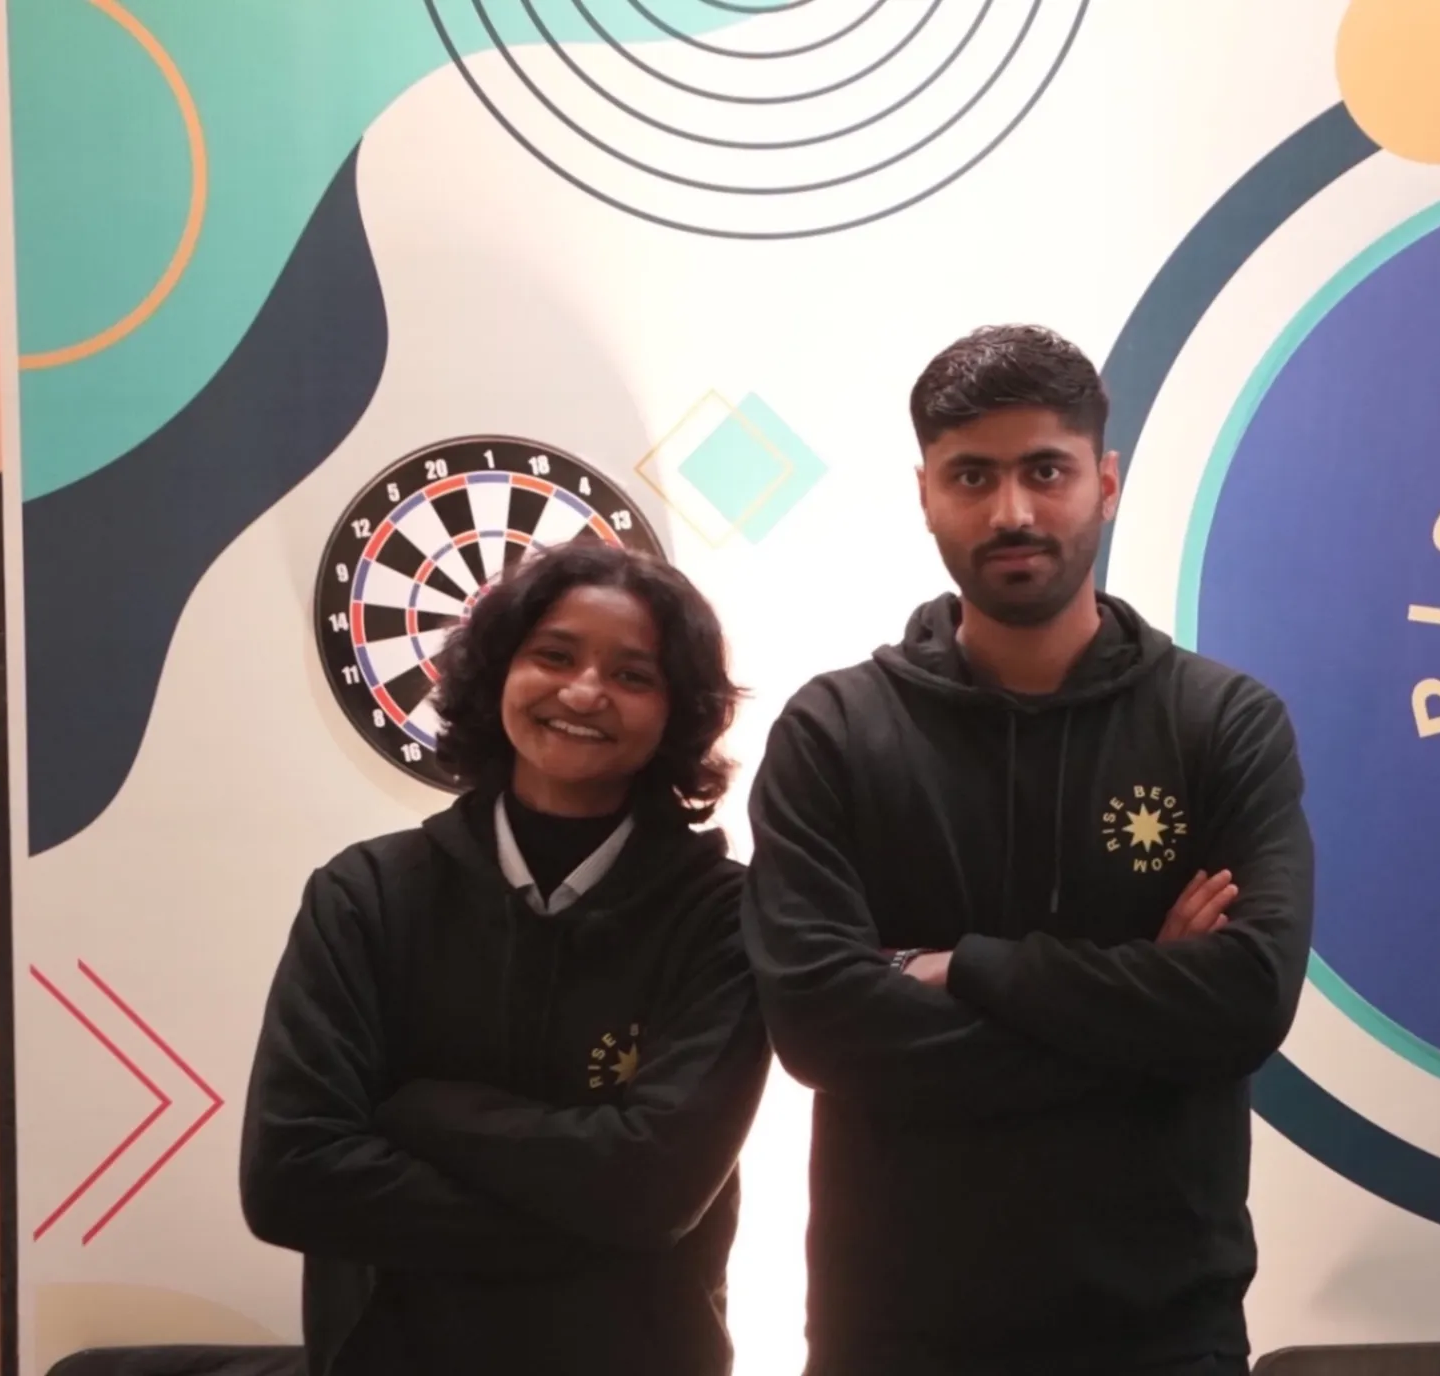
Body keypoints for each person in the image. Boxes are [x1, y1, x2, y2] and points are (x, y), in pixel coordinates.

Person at [743, 324, 1312, 1374]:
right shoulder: (834, 731)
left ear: (1106, 482)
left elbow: (1244, 1002)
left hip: (1161, 1334)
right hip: (894, 1337)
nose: (1011, 511)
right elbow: (822, 1027)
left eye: (1045, 470)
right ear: (925, 494)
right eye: (973, 475)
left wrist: (965, 967)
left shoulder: (1221, 722)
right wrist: (1145, 1015)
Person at [239, 540, 767, 1376]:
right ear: (496, 675)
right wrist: (598, 1222)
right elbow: (290, 1179)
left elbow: (654, 1188)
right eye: (553, 656)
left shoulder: (726, 918)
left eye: (633, 675)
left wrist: (420, 1111)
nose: (584, 691)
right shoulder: (365, 895)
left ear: (679, 713)